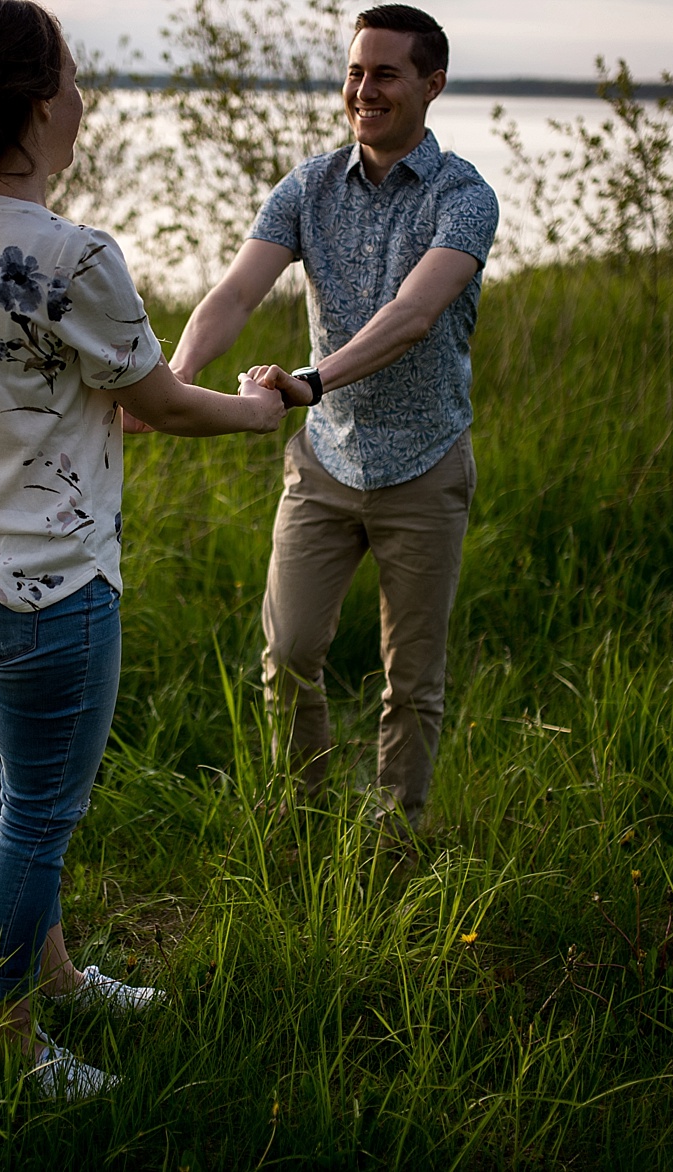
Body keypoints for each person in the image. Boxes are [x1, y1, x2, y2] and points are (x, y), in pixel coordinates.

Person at [0, 0, 305, 1099]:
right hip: (48, 583)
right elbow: (158, 404)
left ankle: (57, 971)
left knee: (14, 785)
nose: (85, 99)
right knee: (37, 810)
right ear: (35, 100)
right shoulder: (71, 255)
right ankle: (6, 1035)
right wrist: (260, 410)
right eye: (73, 78)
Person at [171, 5, 498, 836]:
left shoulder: (464, 197)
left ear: (432, 85)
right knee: (287, 657)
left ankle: (395, 838)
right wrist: (175, 380)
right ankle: (305, 821)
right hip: (324, 466)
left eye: (385, 73)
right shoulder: (307, 186)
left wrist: (309, 382)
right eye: (356, 71)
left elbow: (413, 315)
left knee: (412, 679)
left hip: (424, 468)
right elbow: (236, 293)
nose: (364, 89)